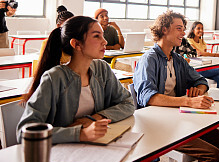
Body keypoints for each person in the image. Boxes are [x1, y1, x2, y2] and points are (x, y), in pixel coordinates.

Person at [133, 10, 219, 162]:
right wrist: (189, 101)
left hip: (179, 118)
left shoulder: (177, 59)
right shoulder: (149, 59)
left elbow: (201, 80)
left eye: (184, 28)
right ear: (164, 30)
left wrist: (199, 89)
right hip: (157, 124)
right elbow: (149, 98)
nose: (183, 33)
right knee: (213, 155)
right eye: (179, 28)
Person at [17, 16, 135, 144]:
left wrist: (94, 118)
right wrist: (79, 134)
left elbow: (128, 103)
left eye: (103, 35)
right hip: (61, 154)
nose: (105, 41)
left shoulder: (102, 69)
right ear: (76, 44)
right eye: (96, 36)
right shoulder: (54, 78)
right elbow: (24, 133)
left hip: (95, 150)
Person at [187, 21, 219, 89]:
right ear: (193, 30)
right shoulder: (189, 41)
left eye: (202, 28)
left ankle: (218, 97)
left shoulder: (202, 41)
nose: (201, 30)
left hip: (205, 66)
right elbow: (199, 53)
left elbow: (205, 55)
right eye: (198, 28)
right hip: (196, 69)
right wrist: (218, 55)